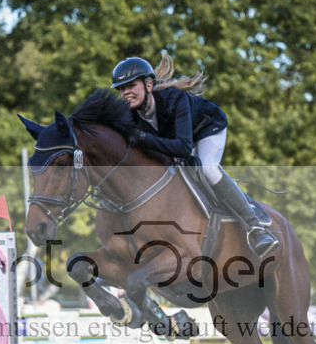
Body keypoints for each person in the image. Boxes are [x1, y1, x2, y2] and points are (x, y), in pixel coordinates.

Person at [110, 53, 279, 258]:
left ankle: (255, 227)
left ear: (148, 85)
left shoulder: (175, 99)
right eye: (121, 89)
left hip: (207, 128)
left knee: (207, 168)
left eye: (131, 86)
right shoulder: (129, 116)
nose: (125, 93)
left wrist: (144, 138)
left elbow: (183, 147)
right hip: (177, 139)